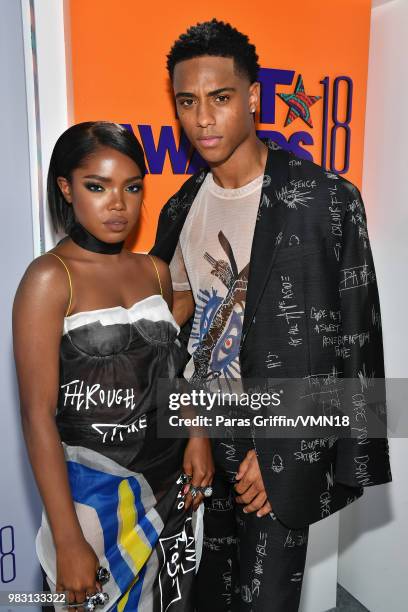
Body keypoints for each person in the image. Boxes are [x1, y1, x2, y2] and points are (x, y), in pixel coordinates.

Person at [151, 19, 392, 612]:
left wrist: (289, 446)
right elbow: (181, 340)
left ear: (254, 96)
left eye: (221, 98)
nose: (203, 119)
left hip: (283, 441)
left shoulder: (326, 199)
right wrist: (194, 432)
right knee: (202, 597)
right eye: (188, 102)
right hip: (205, 438)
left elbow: (354, 341)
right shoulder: (180, 208)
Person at [13, 121, 213, 611]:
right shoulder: (48, 279)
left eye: (132, 187)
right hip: (92, 500)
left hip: (168, 488)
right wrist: (66, 538)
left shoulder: (154, 270)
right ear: (66, 187)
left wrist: (198, 436)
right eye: (97, 187)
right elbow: (38, 416)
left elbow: (171, 372)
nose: (118, 204)